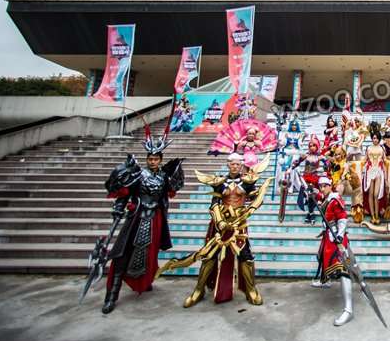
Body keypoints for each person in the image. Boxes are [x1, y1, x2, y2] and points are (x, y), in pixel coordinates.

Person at [168, 153, 268, 307]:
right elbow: (214, 203)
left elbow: (255, 198)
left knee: (245, 256)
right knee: (209, 256)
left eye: (238, 164)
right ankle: (198, 290)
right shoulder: (219, 182)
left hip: (238, 224)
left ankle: (251, 290)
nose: (235, 166)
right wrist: (220, 221)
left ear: (241, 165)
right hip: (219, 224)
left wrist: (260, 193)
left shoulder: (248, 181)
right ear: (228, 164)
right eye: (232, 164)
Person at [101, 134, 185, 313]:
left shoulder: (164, 177)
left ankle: (145, 281)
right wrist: (118, 209)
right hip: (136, 218)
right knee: (121, 254)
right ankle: (111, 295)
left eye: (156, 159)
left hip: (155, 218)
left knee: (150, 252)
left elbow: (169, 193)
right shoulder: (137, 175)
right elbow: (124, 194)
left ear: (160, 160)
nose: (152, 161)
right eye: (150, 158)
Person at [311, 176, 355, 326]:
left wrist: (340, 235)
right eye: (320, 186)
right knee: (321, 257)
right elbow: (317, 195)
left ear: (330, 186)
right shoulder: (325, 198)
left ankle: (348, 309)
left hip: (336, 238)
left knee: (343, 270)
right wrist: (310, 192)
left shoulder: (335, 200)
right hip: (327, 236)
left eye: (325, 186)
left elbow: (343, 219)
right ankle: (325, 280)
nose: (322, 188)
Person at [290, 135, 328, 224]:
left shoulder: (320, 156)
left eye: (314, 145)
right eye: (310, 146)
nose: (312, 147)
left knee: (312, 196)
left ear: (317, 146)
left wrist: (324, 168)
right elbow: (296, 163)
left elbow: (328, 164)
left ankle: (310, 214)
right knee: (308, 196)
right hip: (305, 178)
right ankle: (310, 213)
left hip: (314, 178)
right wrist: (291, 167)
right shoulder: (305, 155)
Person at [325, 144, 364, 223]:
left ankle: (343, 211)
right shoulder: (334, 161)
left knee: (341, 189)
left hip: (343, 185)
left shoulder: (345, 164)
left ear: (342, 154)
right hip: (335, 184)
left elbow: (343, 176)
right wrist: (332, 150)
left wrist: (340, 181)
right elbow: (326, 155)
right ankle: (334, 211)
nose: (337, 156)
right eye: (336, 154)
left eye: (339, 154)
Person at [277, 116, 303, 222]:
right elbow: (282, 143)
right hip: (286, 152)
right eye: (292, 125)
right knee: (282, 168)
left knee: (292, 169)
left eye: (295, 125)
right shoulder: (286, 134)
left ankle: (291, 187)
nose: (293, 127)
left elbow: (300, 145)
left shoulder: (299, 134)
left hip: (295, 153)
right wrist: (280, 141)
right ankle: (281, 186)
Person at [362, 130, 389, 224]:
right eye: (374, 138)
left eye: (377, 138)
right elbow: (364, 160)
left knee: (376, 194)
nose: (375, 140)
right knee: (370, 194)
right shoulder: (368, 148)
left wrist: (386, 176)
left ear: (379, 139)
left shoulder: (382, 149)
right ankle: (373, 216)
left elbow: (385, 161)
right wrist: (356, 164)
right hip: (369, 171)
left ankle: (377, 215)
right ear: (372, 139)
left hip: (378, 172)